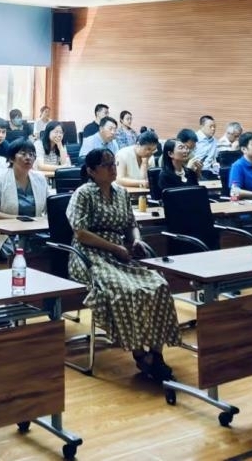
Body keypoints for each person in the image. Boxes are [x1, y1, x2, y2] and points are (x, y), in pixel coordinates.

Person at [67, 148, 181, 382]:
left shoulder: (120, 192)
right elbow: (81, 233)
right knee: (126, 290)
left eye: (114, 164)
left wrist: (136, 239)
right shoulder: (83, 193)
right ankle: (139, 354)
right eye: (106, 165)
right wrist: (114, 248)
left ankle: (156, 353)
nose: (112, 168)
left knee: (158, 284)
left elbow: (131, 224)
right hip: (89, 255)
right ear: (91, 171)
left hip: (120, 254)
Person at [0, 140, 49, 264]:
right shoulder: (0, 179)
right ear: (12, 158)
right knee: (18, 253)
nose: (28, 157)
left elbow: (51, 209)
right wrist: (18, 218)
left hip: (34, 233)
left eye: (31, 154)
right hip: (6, 236)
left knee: (54, 248)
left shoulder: (40, 178)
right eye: (23, 154)